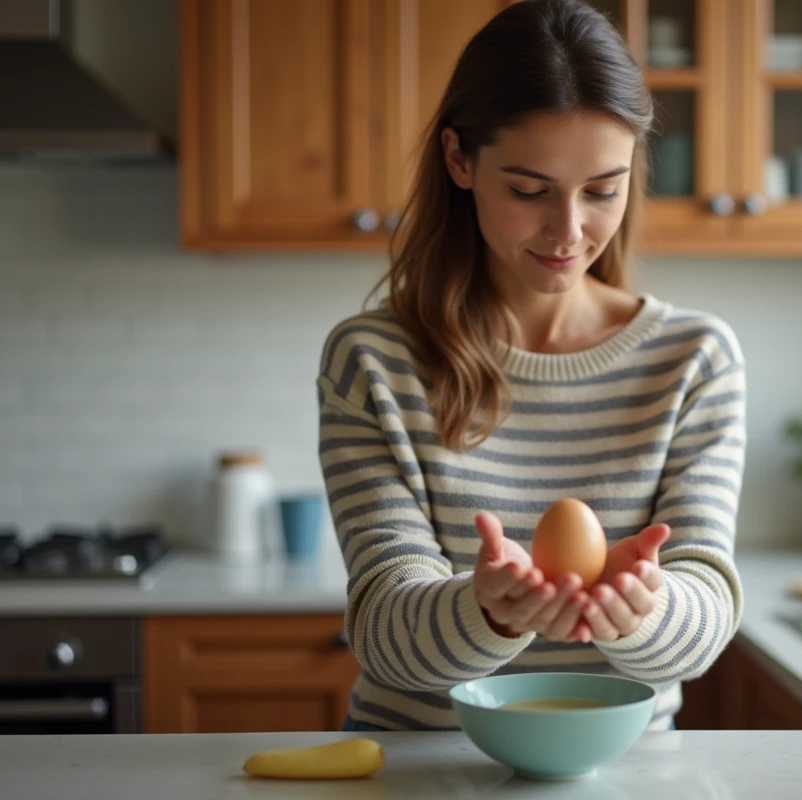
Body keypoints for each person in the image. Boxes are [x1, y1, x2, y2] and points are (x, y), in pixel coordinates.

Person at [316, 0, 745, 733]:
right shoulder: (374, 361)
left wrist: (644, 607)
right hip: (421, 773)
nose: (569, 231)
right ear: (459, 160)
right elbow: (384, 632)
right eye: (529, 190)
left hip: (628, 777)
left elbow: (705, 618)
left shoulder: (694, 360)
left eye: (603, 190)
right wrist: (483, 609)